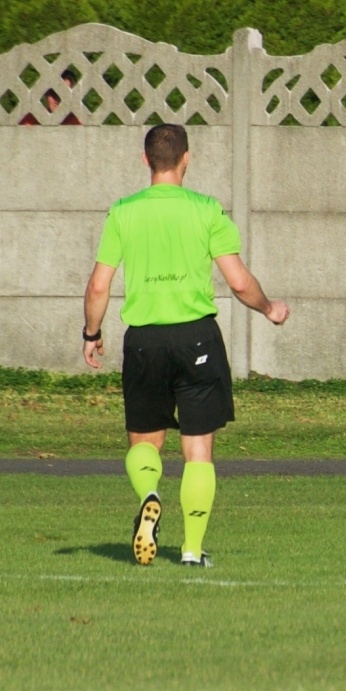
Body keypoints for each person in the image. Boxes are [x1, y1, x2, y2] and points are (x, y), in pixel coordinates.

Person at [82, 124, 289, 567]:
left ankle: (150, 494)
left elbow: (99, 285)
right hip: (197, 337)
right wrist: (268, 307)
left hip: (144, 341)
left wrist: (91, 333)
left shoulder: (123, 212)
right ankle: (192, 551)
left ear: (145, 160)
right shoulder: (206, 210)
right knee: (198, 450)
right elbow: (238, 281)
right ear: (186, 158)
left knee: (145, 442)